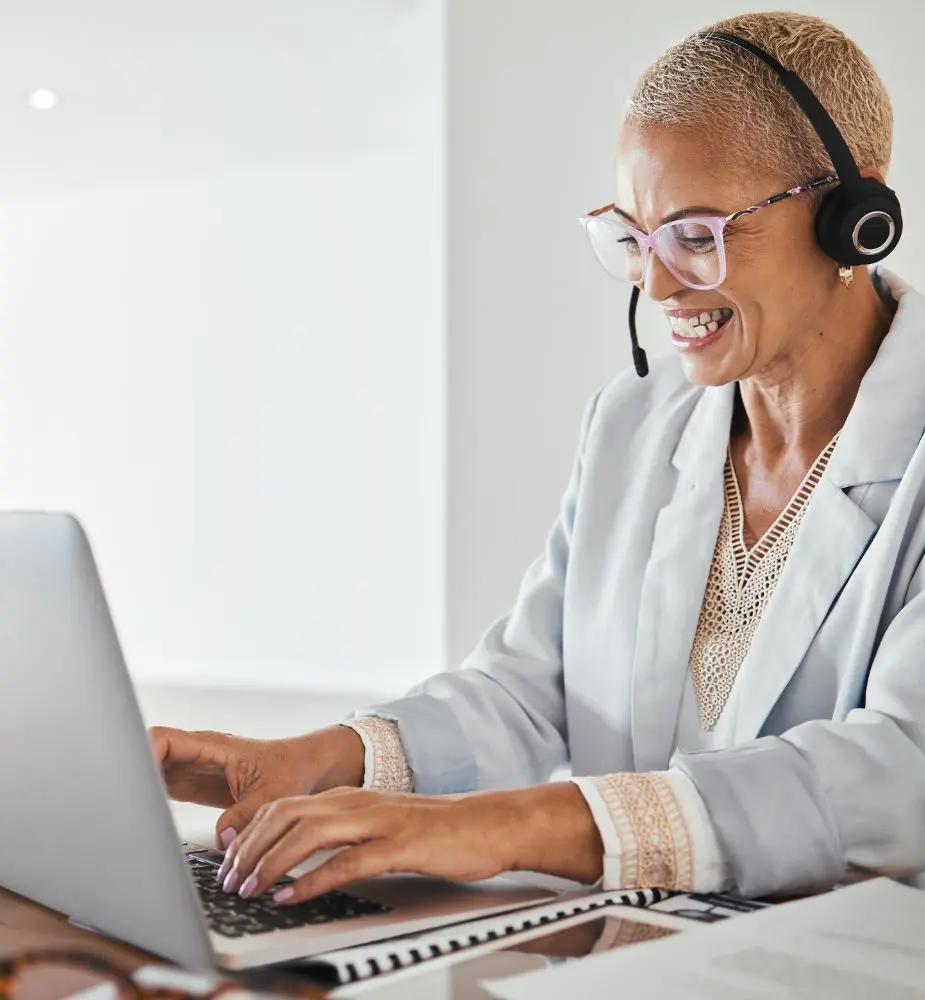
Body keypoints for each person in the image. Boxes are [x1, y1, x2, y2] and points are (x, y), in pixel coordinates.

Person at [152, 11, 925, 907]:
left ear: (854, 217)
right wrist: (318, 760)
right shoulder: (635, 426)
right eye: (632, 237)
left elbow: (900, 768)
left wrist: (503, 827)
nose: (657, 283)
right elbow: (531, 691)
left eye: (697, 234)